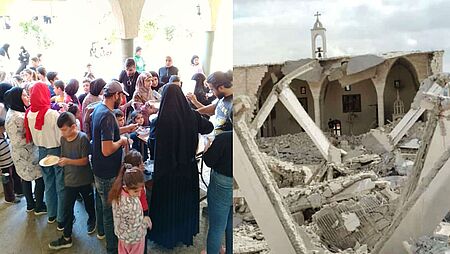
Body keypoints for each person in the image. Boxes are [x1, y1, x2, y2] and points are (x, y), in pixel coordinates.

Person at [149, 84, 213, 249]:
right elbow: (209, 127)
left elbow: (151, 145)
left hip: (165, 172)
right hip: (187, 169)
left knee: (167, 204)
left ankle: (166, 238)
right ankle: (182, 234)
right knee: (182, 202)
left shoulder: (159, 120)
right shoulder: (191, 116)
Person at [91, 80, 135, 254]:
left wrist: (124, 129)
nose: (122, 99)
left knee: (101, 203)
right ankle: (112, 248)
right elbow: (108, 149)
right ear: (116, 95)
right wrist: (123, 140)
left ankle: (101, 231)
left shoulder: (99, 109)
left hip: (98, 168)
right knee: (111, 212)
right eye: (121, 95)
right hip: (108, 171)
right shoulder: (108, 116)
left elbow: (107, 134)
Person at [48, 112, 96, 250]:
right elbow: (63, 155)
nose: (62, 133)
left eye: (64, 129)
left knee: (89, 203)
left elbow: (85, 161)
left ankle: (92, 219)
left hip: (84, 179)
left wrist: (68, 161)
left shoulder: (82, 139)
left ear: (74, 126)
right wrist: (57, 160)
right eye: (60, 130)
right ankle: (67, 237)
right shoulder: (63, 140)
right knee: (67, 208)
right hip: (69, 179)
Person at [24, 82, 65, 229]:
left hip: (41, 151)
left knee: (49, 184)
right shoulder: (52, 114)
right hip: (55, 150)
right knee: (60, 185)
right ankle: (62, 219)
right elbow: (61, 137)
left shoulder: (29, 113)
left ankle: (52, 215)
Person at [4, 86, 46, 213]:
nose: (27, 97)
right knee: (39, 178)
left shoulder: (14, 110)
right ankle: (38, 206)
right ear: (17, 98)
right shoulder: (17, 117)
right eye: (24, 95)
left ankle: (30, 205)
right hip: (26, 153)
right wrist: (34, 137)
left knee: (26, 178)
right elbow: (18, 140)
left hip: (21, 153)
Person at [202, 131, 233, 254]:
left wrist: (207, 148)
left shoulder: (224, 137)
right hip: (240, 183)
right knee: (231, 223)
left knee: (217, 227)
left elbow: (209, 161)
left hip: (222, 183)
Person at [109, 165, 151, 254]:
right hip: (135, 239)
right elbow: (135, 227)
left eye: (141, 190)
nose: (139, 194)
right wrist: (145, 222)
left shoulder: (117, 193)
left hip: (122, 236)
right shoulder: (133, 205)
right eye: (136, 191)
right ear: (126, 186)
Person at [187, 70, 233, 135]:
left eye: (212, 89)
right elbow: (209, 111)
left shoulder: (233, 106)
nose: (212, 93)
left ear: (221, 88)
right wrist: (191, 113)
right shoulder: (223, 97)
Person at [0, 117, 21, 204]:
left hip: (10, 162)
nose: (4, 129)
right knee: (7, 182)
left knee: (14, 178)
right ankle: (9, 198)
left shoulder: (3, 136)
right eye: (2, 127)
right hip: (4, 166)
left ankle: (17, 191)